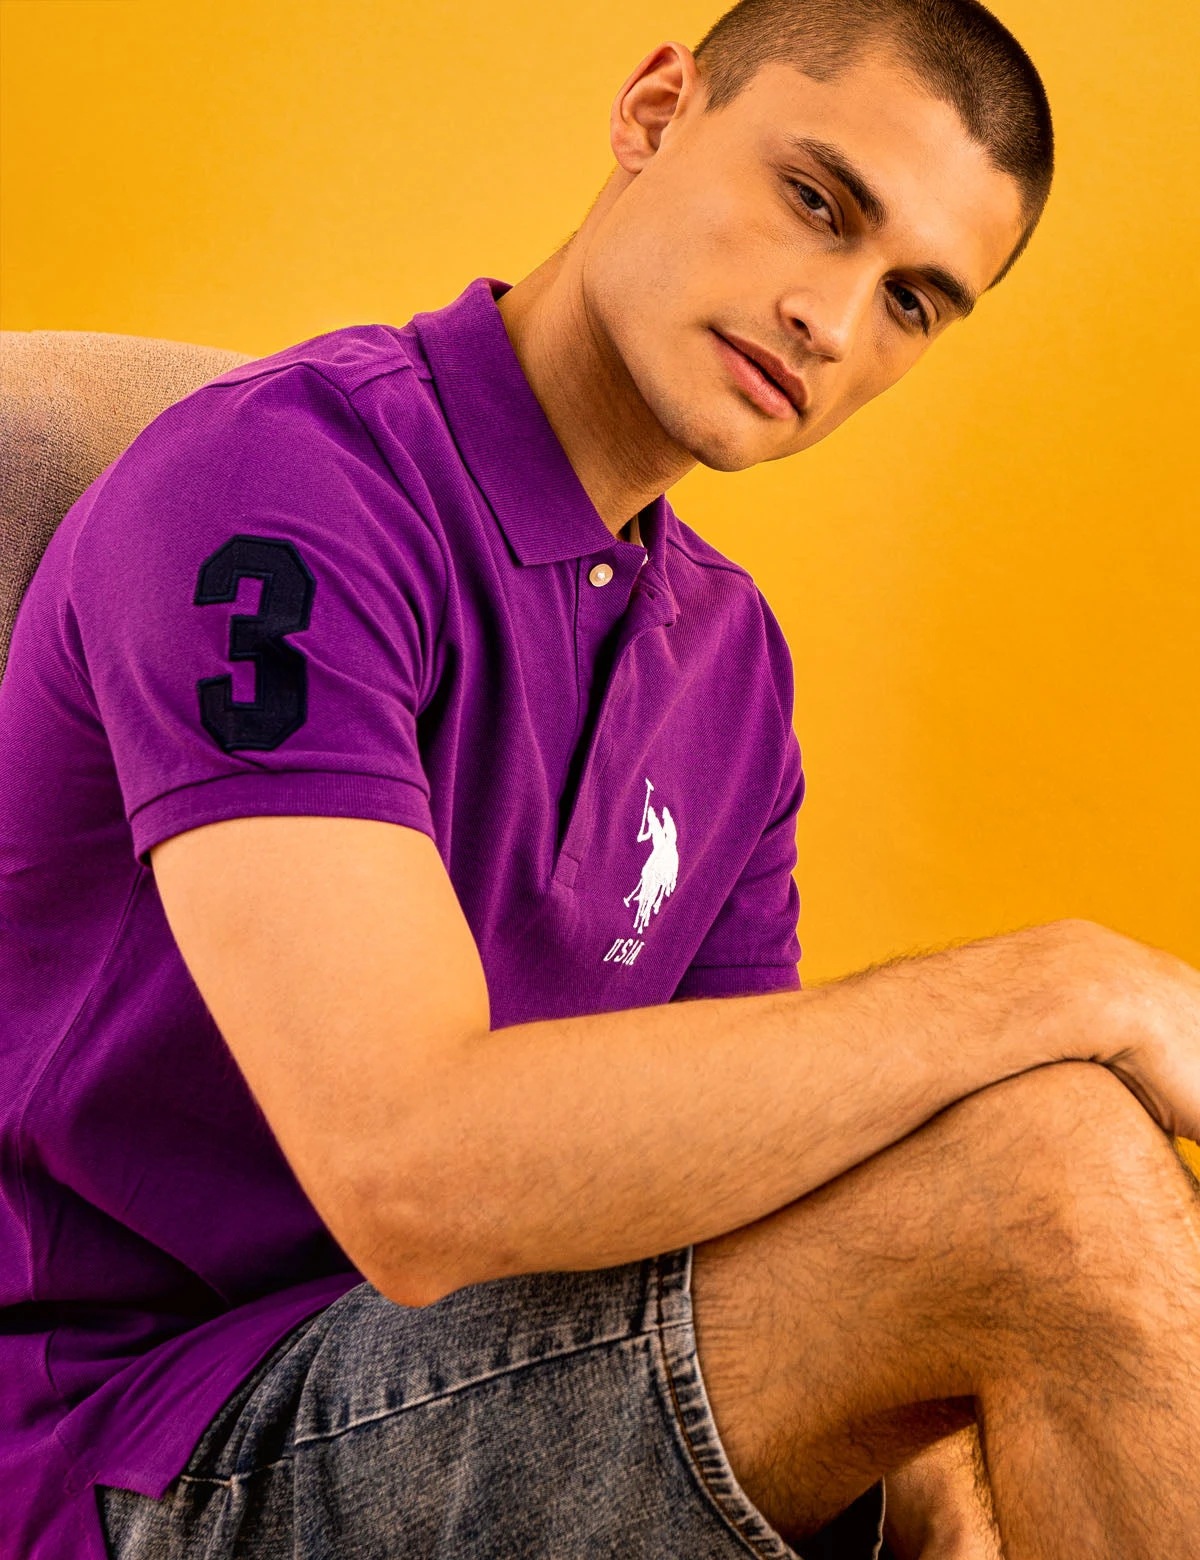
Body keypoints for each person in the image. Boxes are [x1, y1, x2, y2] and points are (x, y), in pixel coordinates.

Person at [1, 1, 1198, 1556]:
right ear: (654, 111)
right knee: (1053, 1184)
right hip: (135, 1446)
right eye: (817, 202)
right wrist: (1065, 987)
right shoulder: (282, 486)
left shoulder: (731, 665)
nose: (832, 319)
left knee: (1016, 1249)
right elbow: (406, 1172)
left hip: (471, 1379)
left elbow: (752, 1202)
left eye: (912, 299)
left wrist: (922, 1492)